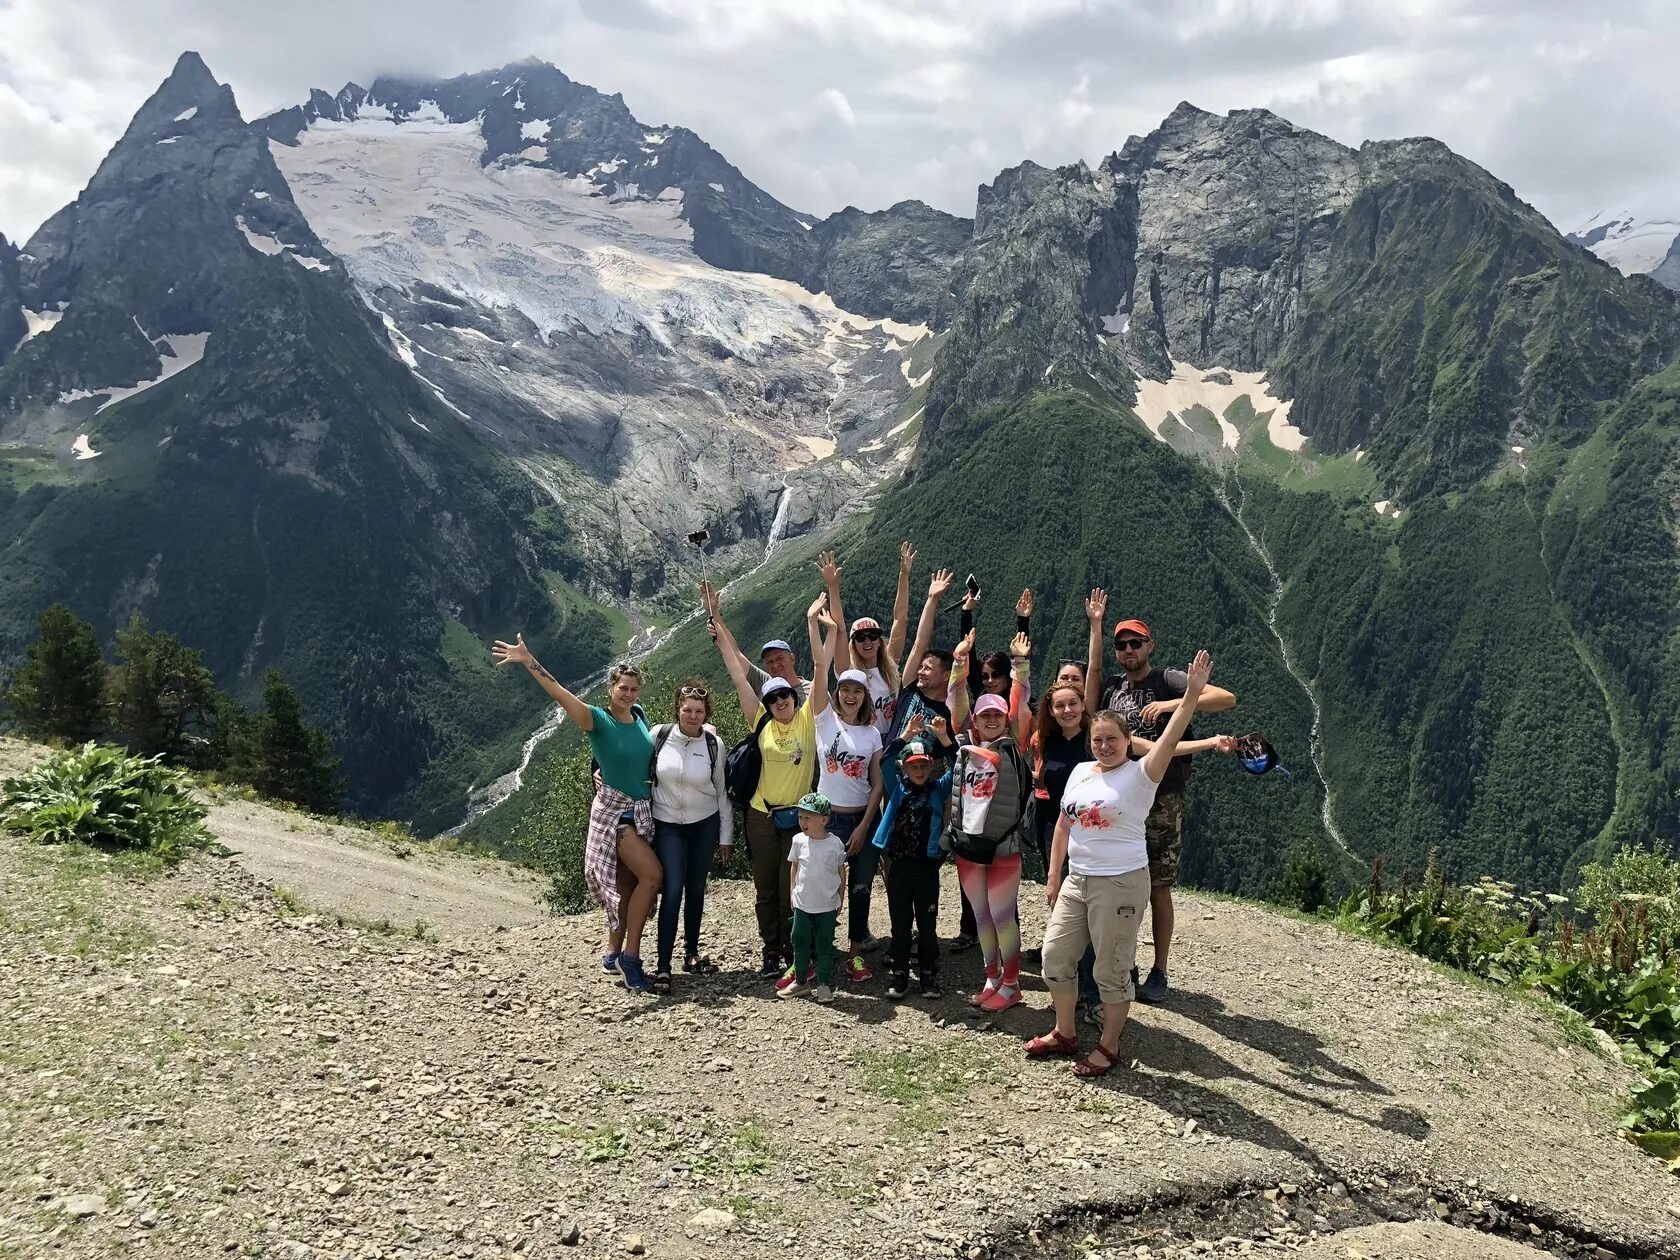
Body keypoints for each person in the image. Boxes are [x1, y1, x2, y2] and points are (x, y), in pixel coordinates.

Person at [1028, 651, 1215, 1078]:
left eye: (1113, 739)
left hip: (1121, 882)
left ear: (1127, 740)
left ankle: (1109, 1047)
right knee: (1056, 959)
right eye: (1098, 739)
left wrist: (1190, 696)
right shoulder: (1080, 772)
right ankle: (1065, 1031)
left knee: (1111, 969)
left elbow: (1171, 737)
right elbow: (1062, 822)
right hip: (1078, 879)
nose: (1105, 746)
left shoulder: (1141, 774)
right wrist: (1054, 875)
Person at [1085, 594, 1237, 1004]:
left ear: (1150, 646)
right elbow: (1093, 673)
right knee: (1123, 882)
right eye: (1123, 645)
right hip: (1120, 796)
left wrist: (1177, 700)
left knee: (1158, 885)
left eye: (1136, 643)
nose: (1130, 650)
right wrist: (1096, 626)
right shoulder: (1111, 687)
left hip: (1162, 797)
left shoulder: (1167, 680)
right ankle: (1127, 961)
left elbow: (1226, 699)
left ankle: (1160, 969)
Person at [491, 639, 661, 993]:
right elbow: (559, 693)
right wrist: (528, 660)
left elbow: (637, 757)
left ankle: (613, 953)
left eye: (633, 689)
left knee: (627, 886)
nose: (628, 694)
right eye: (622, 688)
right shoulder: (596, 719)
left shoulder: (640, 716)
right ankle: (631, 960)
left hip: (641, 812)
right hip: (620, 819)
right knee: (652, 876)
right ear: (610, 689)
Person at [708, 583, 819, 979]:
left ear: (794, 693)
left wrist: (818, 623)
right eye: (772, 698)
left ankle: (795, 947)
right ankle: (772, 949)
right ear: (766, 702)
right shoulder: (761, 721)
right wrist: (716, 620)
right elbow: (737, 671)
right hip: (760, 815)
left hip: (799, 816)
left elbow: (822, 671)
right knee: (766, 889)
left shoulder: (807, 720)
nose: (780, 702)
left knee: (793, 889)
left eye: (784, 695)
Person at [806, 597, 885, 984]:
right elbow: (821, 667)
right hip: (827, 817)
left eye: (857, 691)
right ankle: (818, 949)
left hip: (860, 820)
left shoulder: (871, 734)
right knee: (823, 886)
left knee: (859, 888)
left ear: (864, 697)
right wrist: (824, 628)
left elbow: (877, 784)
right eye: (846, 690)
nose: (851, 695)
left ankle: (854, 952)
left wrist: (864, 826)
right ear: (837, 695)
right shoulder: (824, 722)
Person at [947, 674, 1033, 1013]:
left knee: (1001, 917)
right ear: (976, 721)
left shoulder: (1015, 746)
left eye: (998, 714)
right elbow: (956, 699)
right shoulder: (966, 748)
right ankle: (991, 977)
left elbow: (1021, 700)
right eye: (985, 715)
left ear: (1006, 719)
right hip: (969, 845)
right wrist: (958, 666)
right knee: (981, 916)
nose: (992, 719)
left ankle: (1011, 985)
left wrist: (1020, 668)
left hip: (1003, 847)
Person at [647, 677, 731, 995]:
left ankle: (691, 953)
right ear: (677, 710)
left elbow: (722, 792)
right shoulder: (659, 735)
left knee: (696, 889)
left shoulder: (713, 745)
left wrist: (726, 836)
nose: (692, 716)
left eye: (698, 711)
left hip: (704, 824)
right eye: (687, 710)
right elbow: (630, 758)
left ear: (706, 713)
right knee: (672, 891)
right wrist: (598, 768)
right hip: (667, 823)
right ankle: (663, 965)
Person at [872, 714, 956, 998]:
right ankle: (899, 973)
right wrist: (907, 734)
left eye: (923, 765)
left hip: (927, 867)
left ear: (931, 766)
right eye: (913, 765)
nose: (919, 770)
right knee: (900, 922)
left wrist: (945, 739)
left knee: (927, 923)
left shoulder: (938, 788)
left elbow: (960, 767)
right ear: (905, 768)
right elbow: (886, 760)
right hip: (899, 866)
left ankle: (928, 975)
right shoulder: (897, 787)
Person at [819, 544, 914, 736]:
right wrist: (833, 587)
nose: (867, 641)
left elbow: (900, 619)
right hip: (861, 742)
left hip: (891, 741)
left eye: (873, 636)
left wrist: (904, 575)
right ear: (853, 643)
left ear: (880, 641)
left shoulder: (890, 667)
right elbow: (840, 632)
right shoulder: (849, 672)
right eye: (860, 637)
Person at [702, 579, 812, 705]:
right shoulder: (764, 683)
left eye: (779, 658)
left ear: (792, 659)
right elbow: (735, 654)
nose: (775, 665)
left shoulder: (813, 690)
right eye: (770, 662)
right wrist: (713, 612)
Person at [781, 792, 846, 1003]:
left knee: (825, 944)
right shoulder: (798, 841)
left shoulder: (835, 844)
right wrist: (792, 892)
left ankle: (824, 984)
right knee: (799, 940)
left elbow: (841, 872)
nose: (803, 822)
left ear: (824, 820)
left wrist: (840, 898)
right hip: (802, 903)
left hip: (826, 905)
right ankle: (801, 981)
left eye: (808, 818)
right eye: (800, 817)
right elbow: (794, 867)